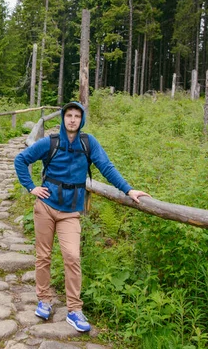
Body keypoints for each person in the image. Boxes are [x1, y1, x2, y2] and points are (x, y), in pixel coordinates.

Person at [14, 101, 151, 332]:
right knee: (43, 256)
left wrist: (128, 190)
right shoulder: (51, 142)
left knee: (72, 257)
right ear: (63, 118)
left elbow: (106, 167)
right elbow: (21, 159)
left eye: (77, 116)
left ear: (82, 119)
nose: (72, 119)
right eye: (69, 115)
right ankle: (44, 300)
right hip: (45, 207)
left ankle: (74, 310)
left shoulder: (89, 143)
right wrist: (31, 187)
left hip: (70, 212)